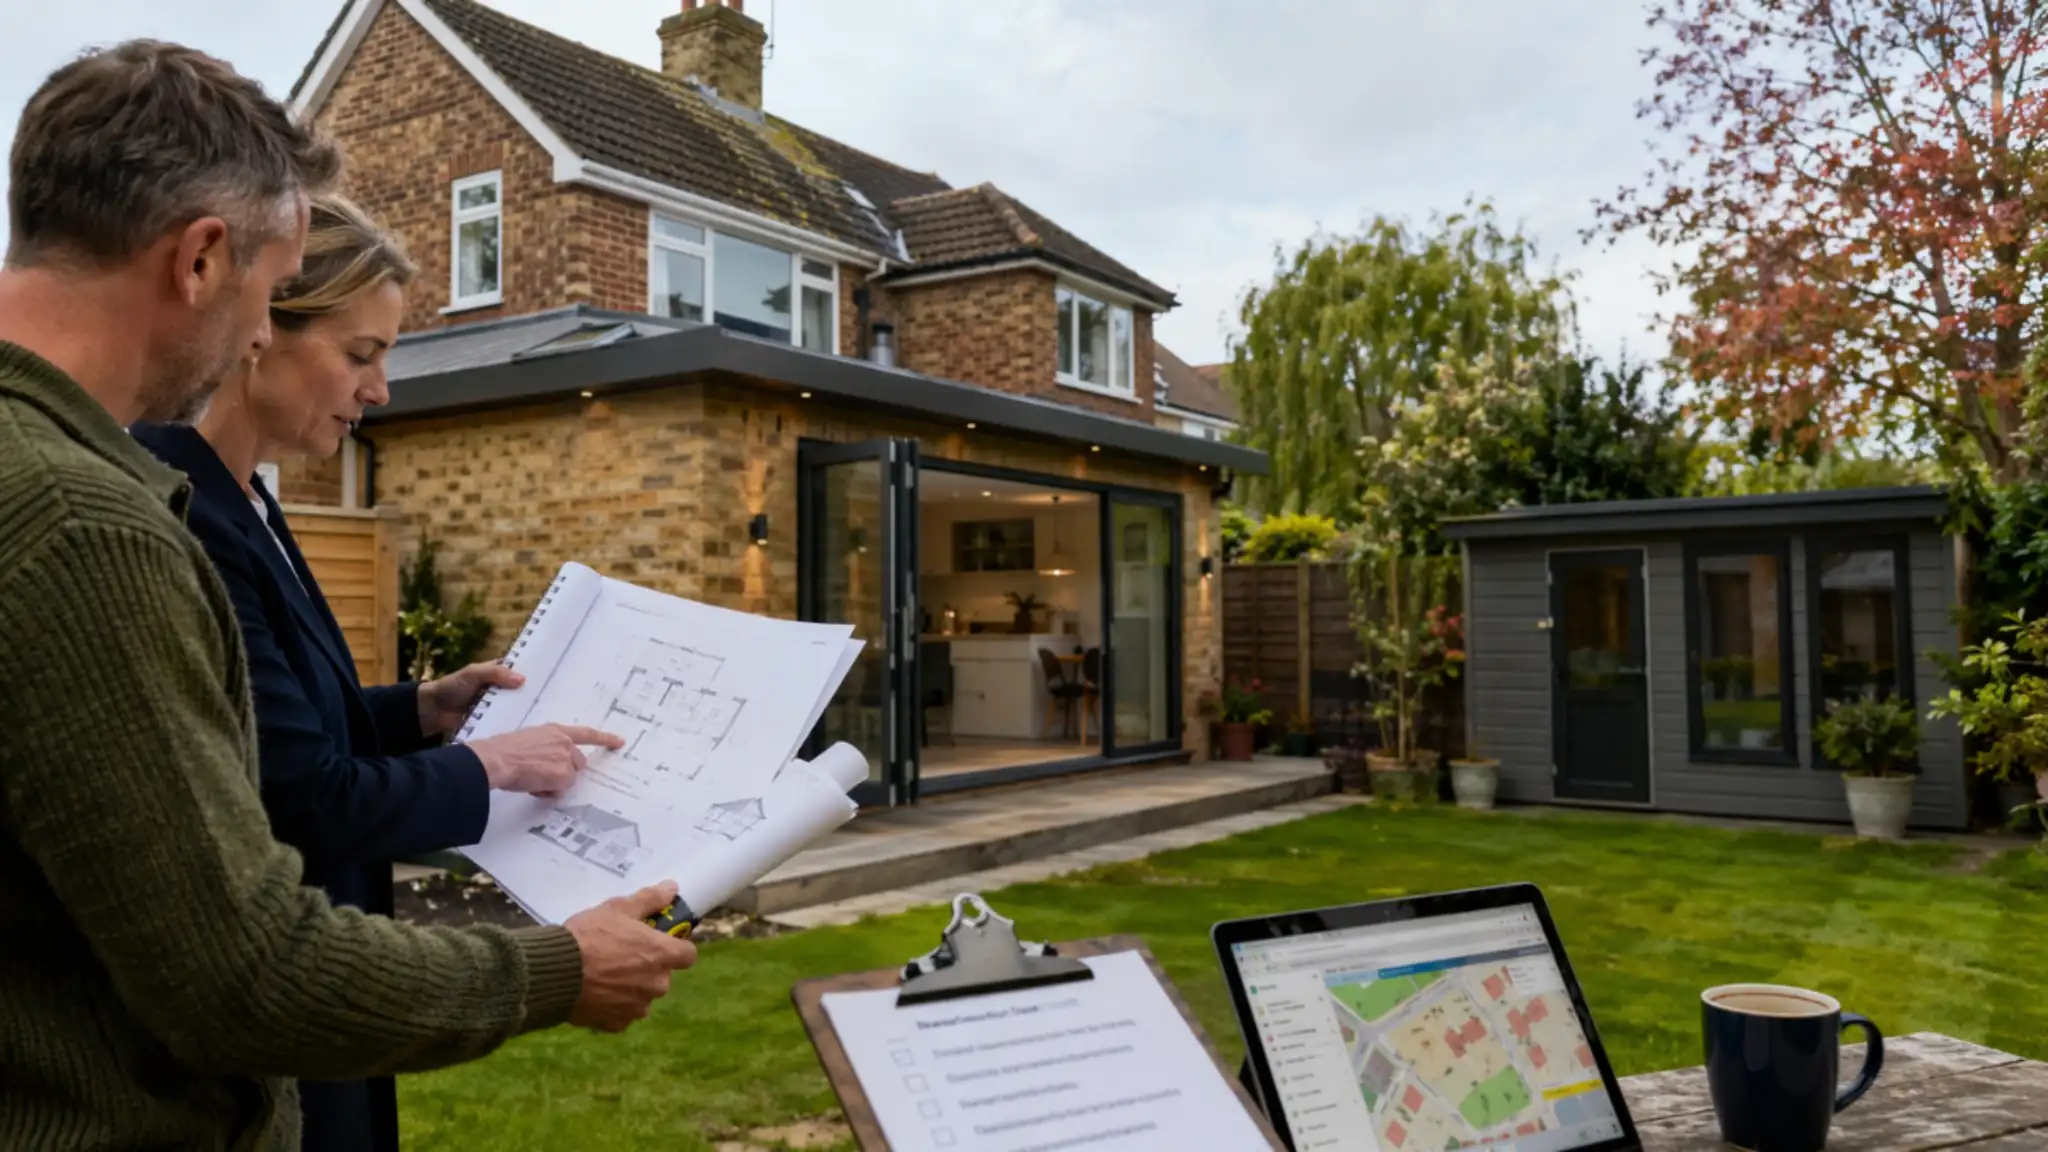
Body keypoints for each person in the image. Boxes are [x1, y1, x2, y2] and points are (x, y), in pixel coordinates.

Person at [0, 40, 696, 1151]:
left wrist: (405, 709)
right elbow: (242, 971)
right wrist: (557, 969)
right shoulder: (87, 524)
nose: (259, 332)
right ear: (199, 261)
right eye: (271, 297)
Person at [133, 195, 624, 1152]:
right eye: (361, 355)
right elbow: (301, 797)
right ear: (262, 330)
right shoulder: (181, 509)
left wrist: (418, 710)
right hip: (274, 1021)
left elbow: (270, 719)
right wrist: (492, 769)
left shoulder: (253, 506)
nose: (382, 390)